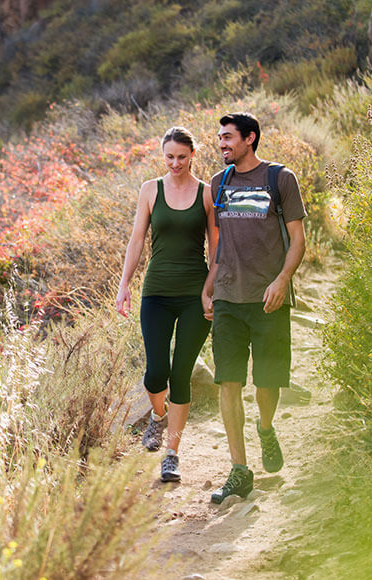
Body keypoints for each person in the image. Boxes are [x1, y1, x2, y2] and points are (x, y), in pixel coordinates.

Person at [201, 112, 306, 504]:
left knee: (267, 382)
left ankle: (265, 427)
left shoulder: (281, 179)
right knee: (228, 381)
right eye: (220, 138)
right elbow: (219, 243)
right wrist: (208, 287)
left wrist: (282, 281)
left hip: (268, 300)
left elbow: (298, 240)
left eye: (228, 138)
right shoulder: (218, 183)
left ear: (250, 138)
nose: (222, 144)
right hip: (228, 297)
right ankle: (239, 470)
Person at [116, 126, 217, 483]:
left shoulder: (207, 194)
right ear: (163, 156)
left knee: (181, 373)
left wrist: (209, 291)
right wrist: (124, 284)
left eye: (182, 156)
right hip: (156, 292)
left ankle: (172, 454)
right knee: (156, 372)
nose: (175, 163)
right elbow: (137, 239)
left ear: (193, 155)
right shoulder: (150, 190)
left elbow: (217, 251)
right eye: (169, 157)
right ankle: (157, 418)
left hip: (194, 296)